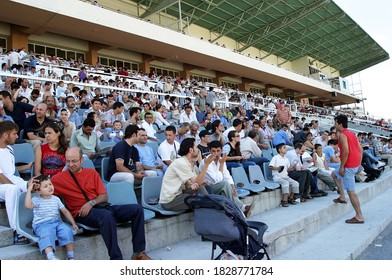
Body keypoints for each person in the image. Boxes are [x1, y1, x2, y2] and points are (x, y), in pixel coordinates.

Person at [51, 146, 151, 260]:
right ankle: (116, 259)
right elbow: (38, 184)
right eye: (68, 161)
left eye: (74, 161)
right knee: (107, 216)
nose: (71, 164)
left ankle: (138, 253)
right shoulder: (59, 179)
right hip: (81, 213)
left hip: (99, 207)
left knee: (137, 209)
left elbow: (104, 196)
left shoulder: (91, 173)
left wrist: (91, 203)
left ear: (81, 160)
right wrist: (30, 185)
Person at [24, 174, 78, 260]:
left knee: (67, 230)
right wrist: (29, 190)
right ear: (38, 191)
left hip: (56, 222)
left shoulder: (56, 199)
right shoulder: (36, 199)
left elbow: (65, 211)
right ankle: (51, 257)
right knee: (46, 233)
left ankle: (70, 256)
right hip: (41, 224)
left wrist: (73, 223)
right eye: (45, 186)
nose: (50, 187)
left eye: (50, 184)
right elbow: (28, 206)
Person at [200, 140, 253, 217]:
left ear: (221, 150)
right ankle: (241, 208)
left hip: (220, 187)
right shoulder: (206, 162)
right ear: (209, 151)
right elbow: (216, 180)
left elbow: (226, 175)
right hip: (208, 188)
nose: (215, 154)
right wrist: (221, 164)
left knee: (228, 186)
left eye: (218, 151)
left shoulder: (221, 160)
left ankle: (239, 211)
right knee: (224, 184)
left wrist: (232, 186)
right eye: (213, 151)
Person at [160, 138, 214, 211]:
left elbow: (189, 184)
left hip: (180, 195)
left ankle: (211, 210)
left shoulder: (188, 163)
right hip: (170, 201)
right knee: (201, 200)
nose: (198, 150)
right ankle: (211, 212)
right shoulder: (181, 163)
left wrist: (193, 185)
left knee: (206, 189)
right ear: (191, 150)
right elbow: (197, 182)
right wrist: (206, 164)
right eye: (196, 147)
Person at [0, 121, 29, 244]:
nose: (17, 137)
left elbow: (11, 173)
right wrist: (17, 187)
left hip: (11, 180)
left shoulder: (10, 149)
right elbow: (1, 176)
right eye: (14, 134)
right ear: (5, 135)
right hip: (2, 184)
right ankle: (17, 231)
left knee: (34, 186)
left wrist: (26, 185)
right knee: (13, 190)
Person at [332, 115, 364, 224]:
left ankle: (359, 216)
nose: (334, 125)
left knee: (351, 192)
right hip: (354, 164)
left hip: (349, 166)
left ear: (340, 124)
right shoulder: (351, 133)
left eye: (335, 123)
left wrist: (342, 167)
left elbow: (345, 151)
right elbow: (360, 148)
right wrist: (359, 162)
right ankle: (342, 197)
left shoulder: (343, 135)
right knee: (334, 174)